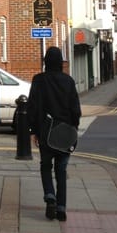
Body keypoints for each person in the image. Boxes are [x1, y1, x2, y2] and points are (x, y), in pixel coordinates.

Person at [29, 46, 81, 222]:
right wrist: (74, 127)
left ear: (45, 62)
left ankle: (50, 195)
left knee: (45, 166)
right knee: (61, 170)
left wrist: (34, 131)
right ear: (60, 63)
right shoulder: (69, 81)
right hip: (65, 133)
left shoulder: (38, 80)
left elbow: (33, 108)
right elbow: (76, 110)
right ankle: (61, 208)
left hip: (46, 132)